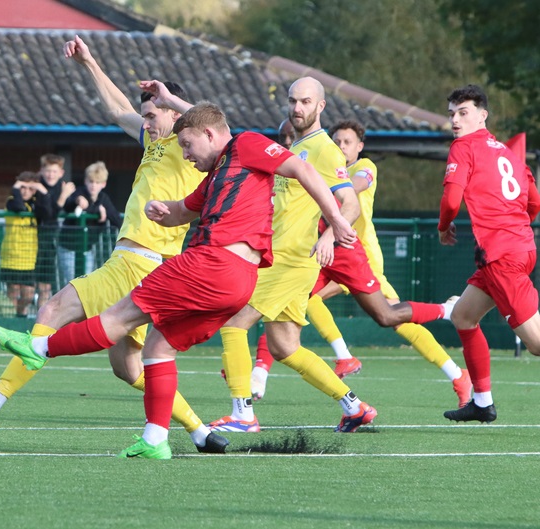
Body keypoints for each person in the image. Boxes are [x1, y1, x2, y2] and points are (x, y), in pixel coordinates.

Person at [0, 101, 356, 458]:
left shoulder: (246, 143)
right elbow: (182, 211)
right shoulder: (216, 176)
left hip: (211, 263)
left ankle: (37, 348)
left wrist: (337, 221)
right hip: (238, 283)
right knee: (157, 349)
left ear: (210, 134)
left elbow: (303, 171)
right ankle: (155, 439)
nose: (185, 155)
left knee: (120, 315)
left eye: (187, 144)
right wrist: (161, 212)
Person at [0, 35, 221, 454]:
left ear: (173, 114)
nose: (143, 121)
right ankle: (201, 432)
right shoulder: (153, 142)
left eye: (151, 113)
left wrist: (173, 100)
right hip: (149, 266)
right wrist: (89, 62)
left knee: (53, 309)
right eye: (144, 115)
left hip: (137, 261)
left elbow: (213, 124)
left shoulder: (189, 146)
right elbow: (116, 109)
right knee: (129, 368)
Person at [208, 77, 402, 435]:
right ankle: (354, 406)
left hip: (290, 259)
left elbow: (349, 204)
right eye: (293, 101)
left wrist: (329, 234)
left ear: (321, 106)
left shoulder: (325, 150)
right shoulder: (294, 147)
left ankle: (243, 414)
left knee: (234, 322)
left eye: (306, 102)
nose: (298, 108)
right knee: (284, 347)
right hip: (286, 260)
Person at [251, 120, 471, 406]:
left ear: (360, 147)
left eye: (347, 142)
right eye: (337, 141)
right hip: (325, 252)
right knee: (286, 299)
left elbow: (351, 189)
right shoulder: (319, 165)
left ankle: (452, 344)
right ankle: (263, 371)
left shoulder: (364, 167)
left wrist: (320, 182)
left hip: (360, 254)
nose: (342, 146)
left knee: (391, 317)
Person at [438, 85, 540, 423]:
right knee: (463, 317)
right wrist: (516, 228)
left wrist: (443, 226)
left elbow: (452, 200)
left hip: (501, 256)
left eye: (463, 112)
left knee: (537, 344)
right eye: (452, 113)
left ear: (482, 115)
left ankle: (482, 402)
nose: (455, 119)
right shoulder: (510, 153)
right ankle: (482, 402)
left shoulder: (463, 147)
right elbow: (534, 202)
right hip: (514, 249)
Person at [57, 161, 122, 281]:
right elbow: (68, 205)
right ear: (85, 181)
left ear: (103, 184)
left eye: (97, 182)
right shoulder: (79, 193)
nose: (93, 185)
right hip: (68, 248)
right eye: (91, 181)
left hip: (87, 250)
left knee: (85, 283)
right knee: (72, 283)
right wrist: (81, 202)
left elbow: (117, 220)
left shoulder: (104, 198)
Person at [0, 171, 43, 317]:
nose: (26, 192)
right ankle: (10, 321)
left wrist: (42, 190)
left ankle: (20, 315)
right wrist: (16, 188)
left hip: (29, 258)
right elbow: (18, 206)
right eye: (23, 187)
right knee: (13, 291)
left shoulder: (36, 205)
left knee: (28, 294)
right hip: (12, 257)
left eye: (30, 188)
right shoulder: (11, 201)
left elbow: (49, 209)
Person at [34, 154, 75, 299]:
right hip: (35, 241)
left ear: (61, 173)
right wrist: (62, 197)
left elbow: (70, 205)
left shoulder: (61, 187)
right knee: (34, 285)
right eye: (48, 171)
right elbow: (49, 214)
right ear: (41, 171)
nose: (50, 175)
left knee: (48, 285)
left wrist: (81, 200)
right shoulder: (37, 188)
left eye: (54, 171)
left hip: (53, 242)